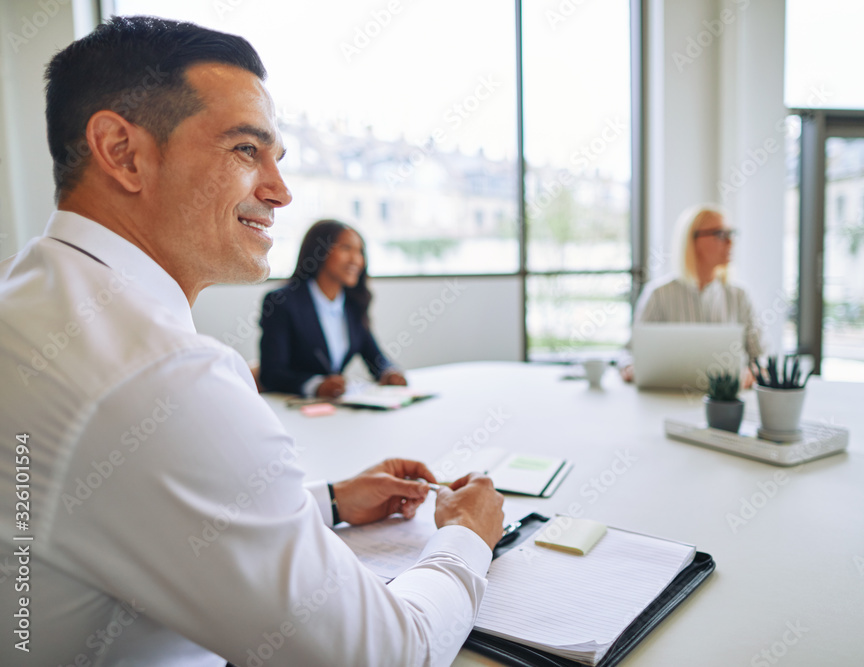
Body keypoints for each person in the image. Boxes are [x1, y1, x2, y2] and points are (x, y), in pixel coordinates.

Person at [0, 16, 503, 666]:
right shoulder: (162, 375)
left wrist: (323, 502)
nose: (280, 190)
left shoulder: (32, 296)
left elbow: (129, 510)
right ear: (122, 152)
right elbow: (385, 653)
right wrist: (466, 538)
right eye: (246, 150)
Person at [259, 220, 405, 397]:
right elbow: (272, 374)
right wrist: (316, 386)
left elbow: (375, 358)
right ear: (319, 251)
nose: (356, 260)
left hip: (335, 410)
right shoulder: (282, 301)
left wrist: (388, 372)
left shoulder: (353, 304)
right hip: (295, 409)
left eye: (360, 251)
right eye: (346, 248)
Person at [622, 204, 763, 383]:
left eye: (731, 233)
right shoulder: (659, 295)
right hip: (666, 400)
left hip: (725, 404)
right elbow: (629, 354)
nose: (730, 242)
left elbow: (761, 357)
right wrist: (631, 369)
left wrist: (750, 375)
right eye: (720, 234)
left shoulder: (739, 296)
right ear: (692, 240)